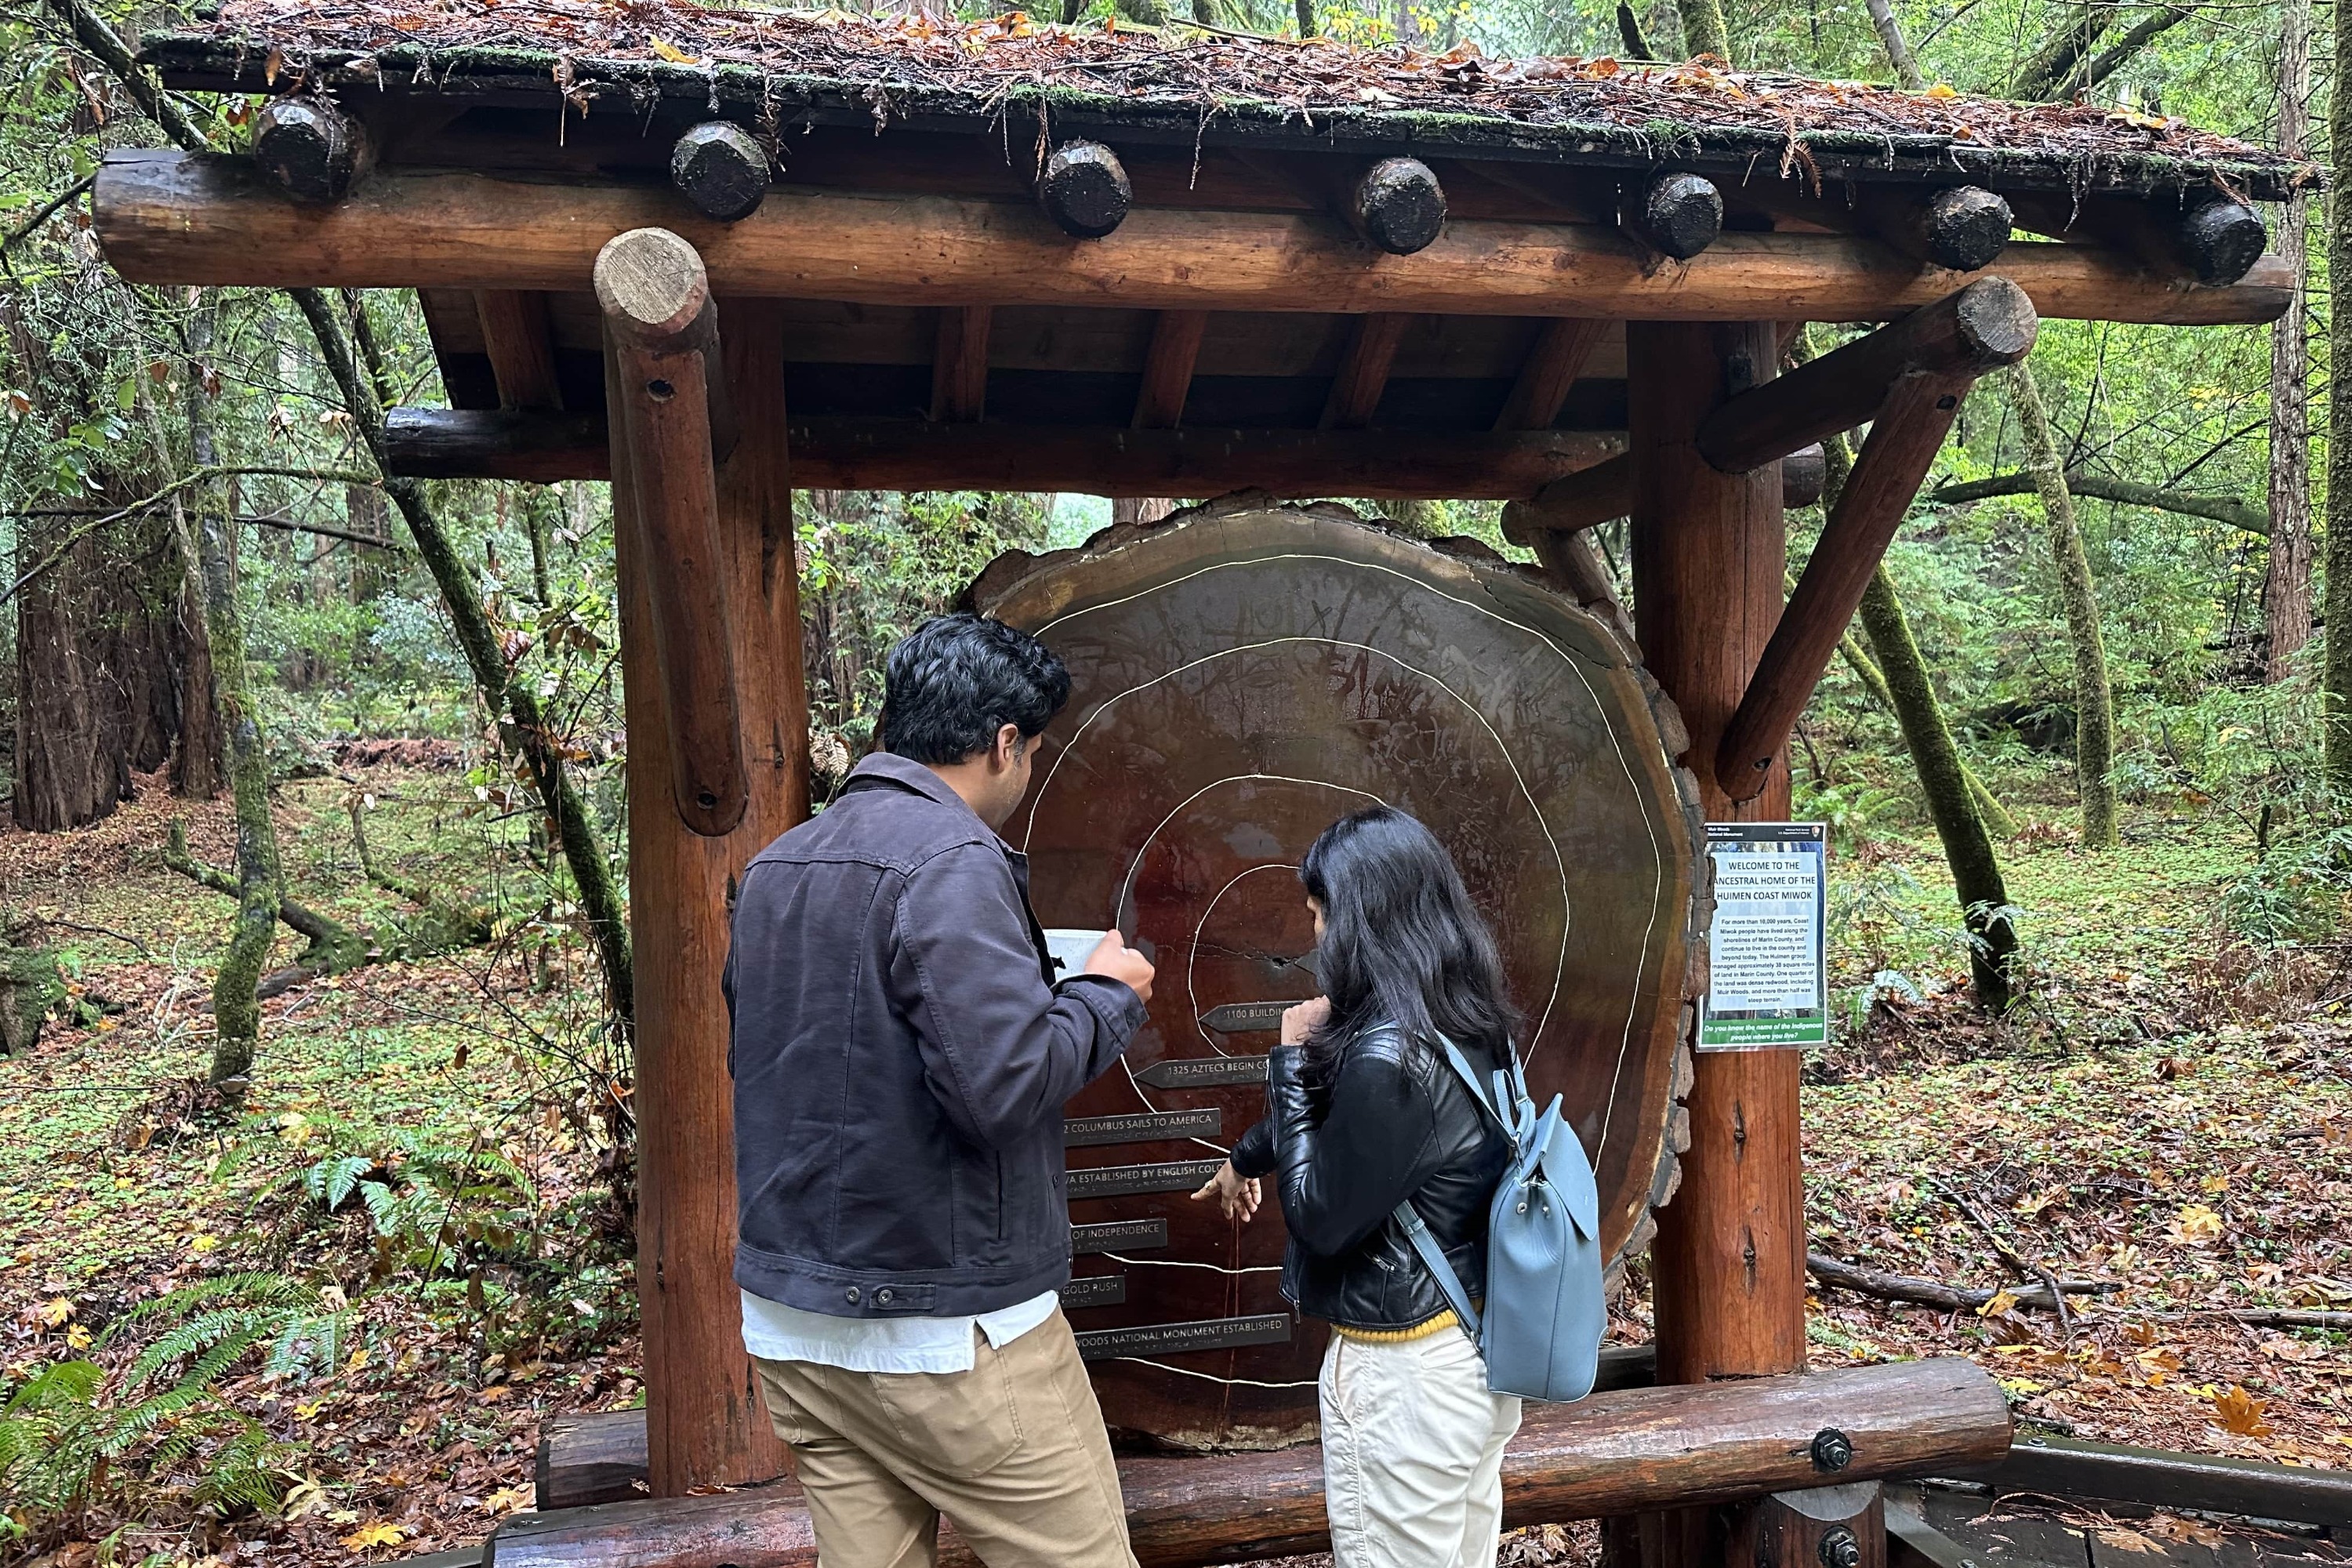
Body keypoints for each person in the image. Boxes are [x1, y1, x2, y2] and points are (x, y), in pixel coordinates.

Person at [725, 612, 1157, 1568]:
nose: (1029, 770)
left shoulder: (774, 867)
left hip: (796, 1328)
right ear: (1005, 742)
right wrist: (1104, 997)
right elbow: (999, 1088)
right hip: (952, 1337)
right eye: (1034, 750)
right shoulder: (950, 862)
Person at [1192, 805, 1521, 1568]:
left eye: (1319, 914)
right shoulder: (1460, 1016)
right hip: (1470, 1349)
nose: (1313, 936)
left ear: (1361, 919)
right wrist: (1246, 1157)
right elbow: (1362, 1139)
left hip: (1403, 1381)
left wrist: (1288, 1059)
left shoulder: (1391, 1056)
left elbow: (1320, 1218)